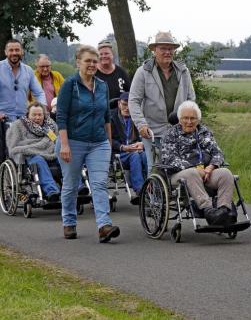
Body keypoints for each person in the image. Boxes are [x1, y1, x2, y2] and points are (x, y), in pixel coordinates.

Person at [56, 45, 119, 243]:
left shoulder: (102, 85)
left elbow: (106, 116)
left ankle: (104, 226)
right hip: (73, 142)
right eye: (88, 61)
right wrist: (64, 145)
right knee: (71, 185)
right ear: (78, 63)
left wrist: (108, 143)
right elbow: (61, 116)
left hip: (98, 142)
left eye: (95, 61)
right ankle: (69, 222)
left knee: (99, 183)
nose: (92, 64)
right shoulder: (70, 84)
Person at [129, 31, 196, 173]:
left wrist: (188, 121)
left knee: (181, 167)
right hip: (152, 131)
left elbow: (191, 99)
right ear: (154, 50)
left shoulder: (183, 71)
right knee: (154, 169)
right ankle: (152, 195)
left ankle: (175, 195)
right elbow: (134, 100)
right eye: (163, 49)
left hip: (179, 128)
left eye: (170, 49)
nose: (167, 52)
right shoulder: (143, 71)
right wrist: (141, 124)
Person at [161, 101, 236, 226]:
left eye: (193, 118)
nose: (189, 122)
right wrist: (195, 169)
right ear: (180, 119)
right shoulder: (170, 134)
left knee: (225, 173)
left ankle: (224, 211)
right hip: (179, 176)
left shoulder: (204, 132)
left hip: (205, 173)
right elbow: (169, 159)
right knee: (191, 173)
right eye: (185, 118)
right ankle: (209, 211)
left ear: (198, 119)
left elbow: (217, 152)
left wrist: (211, 167)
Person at [6, 102, 60, 201]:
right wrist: (29, 149)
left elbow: (56, 140)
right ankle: (51, 191)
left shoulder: (50, 125)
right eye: (34, 115)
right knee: (39, 160)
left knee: (65, 158)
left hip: (51, 152)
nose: (37, 117)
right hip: (31, 153)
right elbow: (14, 145)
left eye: (40, 115)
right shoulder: (18, 125)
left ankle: (78, 187)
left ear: (44, 115)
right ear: (28, 114)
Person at [111, 92, 147, 204]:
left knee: (146, 155)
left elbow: (146, 135)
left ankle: (151, 186)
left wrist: (141, 143)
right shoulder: (111, 117)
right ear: (118, 104)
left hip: (136, 149)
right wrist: (122, 147)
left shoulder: (138, 118)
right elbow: (107, 139)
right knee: (135, 156)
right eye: (124, 104)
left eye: (130, 105)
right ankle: (140, 190)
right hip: (118, 153)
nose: (127, 108)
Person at [0, 39, 46, 123]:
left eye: (17, 50)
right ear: (6, 52)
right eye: (11, 50)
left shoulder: (28, 70)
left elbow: (39, 93)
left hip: (23, 120)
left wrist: (42, 110)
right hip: (2, 120)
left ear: (22, 52)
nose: (14, 53)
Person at [95, 40, 131, 107]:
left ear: (112, 54)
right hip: (99, 113)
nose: (104, 56)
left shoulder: (121, 72)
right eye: (101, 54)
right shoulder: (93, 73)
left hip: (119, 114)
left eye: (106, 53)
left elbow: (130, 93)